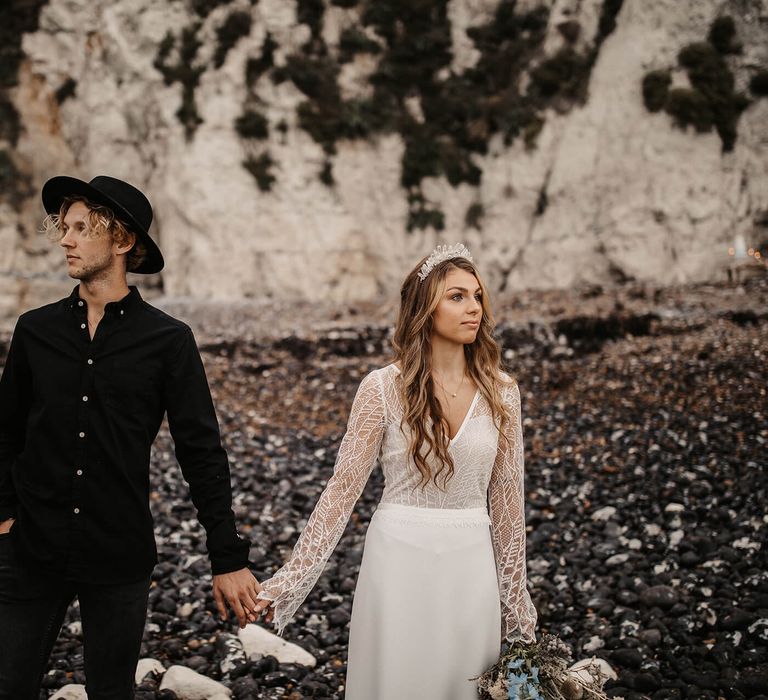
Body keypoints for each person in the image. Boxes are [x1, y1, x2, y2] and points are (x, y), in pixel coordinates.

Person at [0, 175, 262, 700]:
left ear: (121, 241)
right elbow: (5, 433)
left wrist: (227, 557)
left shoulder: (168, 341)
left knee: (111, 694)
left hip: (117, 551)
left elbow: (200, 451)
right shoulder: (35, 331)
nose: (66, 240)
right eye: (65, 228)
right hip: (29, 545)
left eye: (82, 229)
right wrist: (4, 514)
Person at [254, 243, 538, 699]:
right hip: (398, 560)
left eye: (478, 297)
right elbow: (342, 489)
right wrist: (291, 578)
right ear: (425, 307)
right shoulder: (382, 389)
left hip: (471, 564)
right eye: (457, 296)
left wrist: (517, 605)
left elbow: (508, 503)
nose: (475, 309)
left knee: (461, 685)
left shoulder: (502, 392)